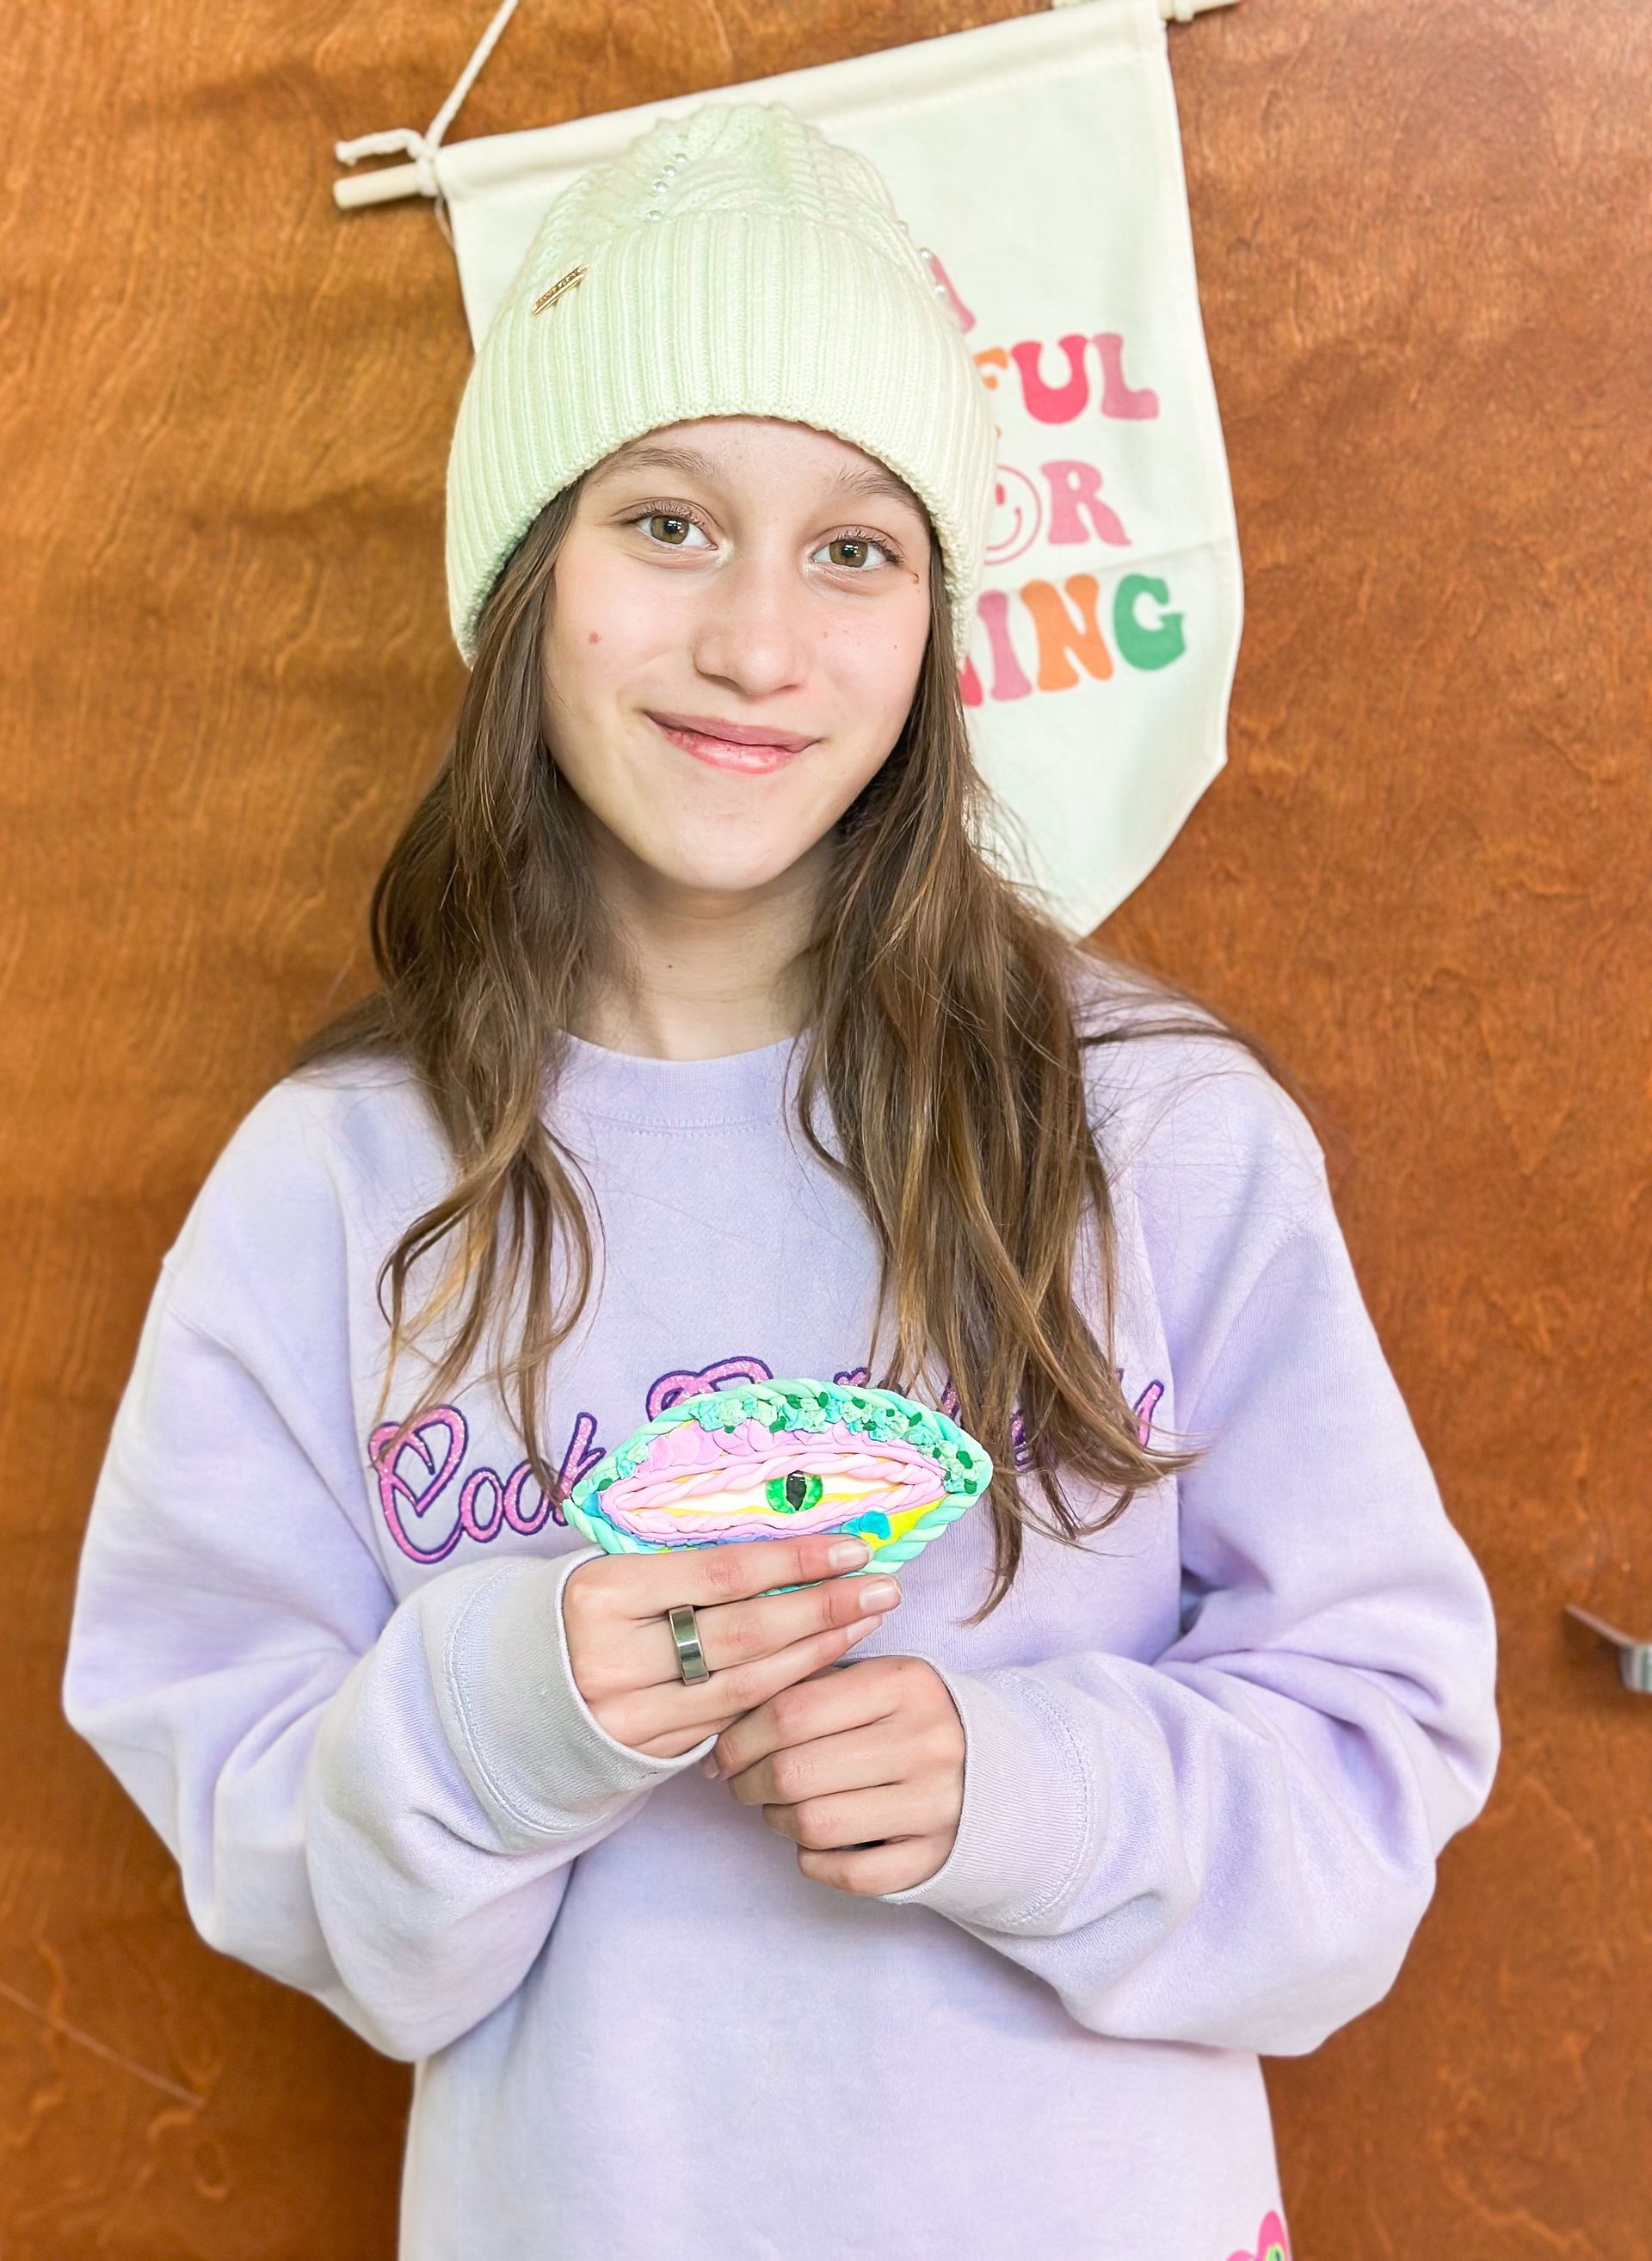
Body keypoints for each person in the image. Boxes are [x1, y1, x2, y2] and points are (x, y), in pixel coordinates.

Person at [61, 98, 1500, 2261]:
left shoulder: (1163, 1136)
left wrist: (1033, 1798)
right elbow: (292, 1880)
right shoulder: (331, 1191)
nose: (759, 643)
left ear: (936, 622)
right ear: (525, 575)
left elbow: (1376, 1784)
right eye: (665, 522)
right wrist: (501, 1711)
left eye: (857, 548)